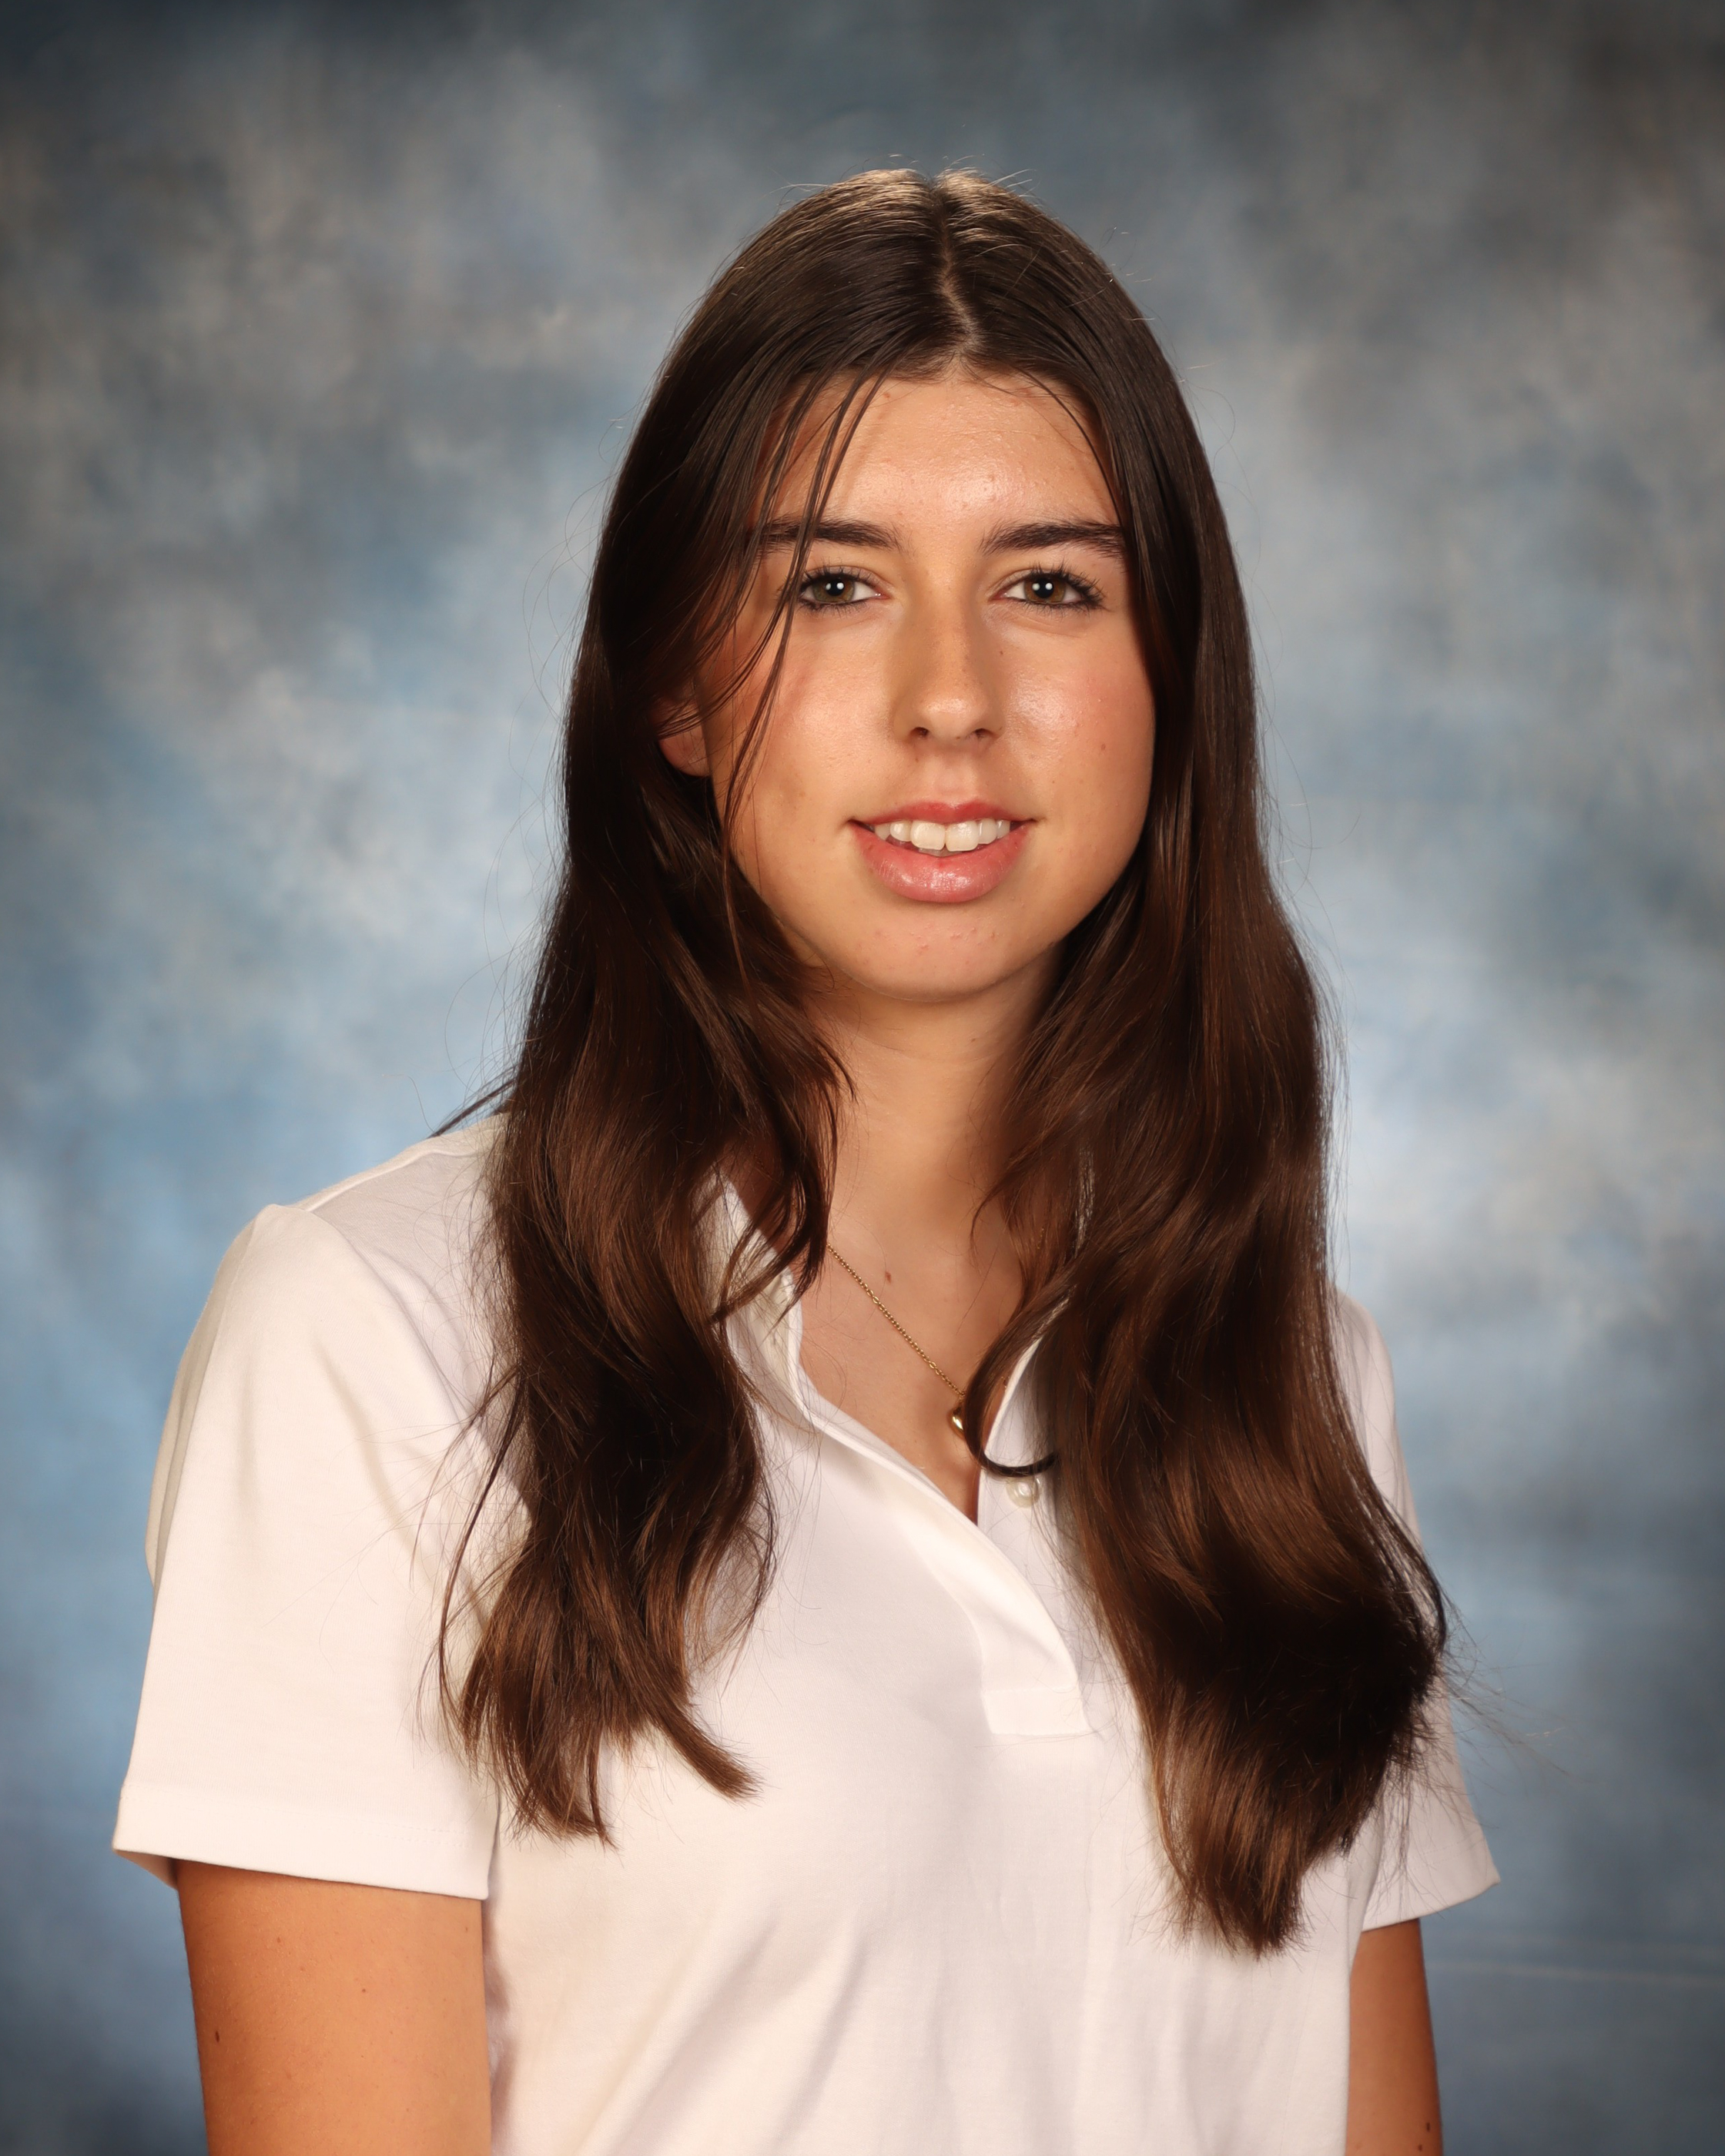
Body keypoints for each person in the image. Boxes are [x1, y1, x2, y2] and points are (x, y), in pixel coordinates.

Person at [115, 168, 1495, 2155]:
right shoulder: (370, 1339)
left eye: (1050, 585)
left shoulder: (1289, 1366)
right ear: (675, 686)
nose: (951, 701)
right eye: (831, 585)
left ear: (1173, 683)